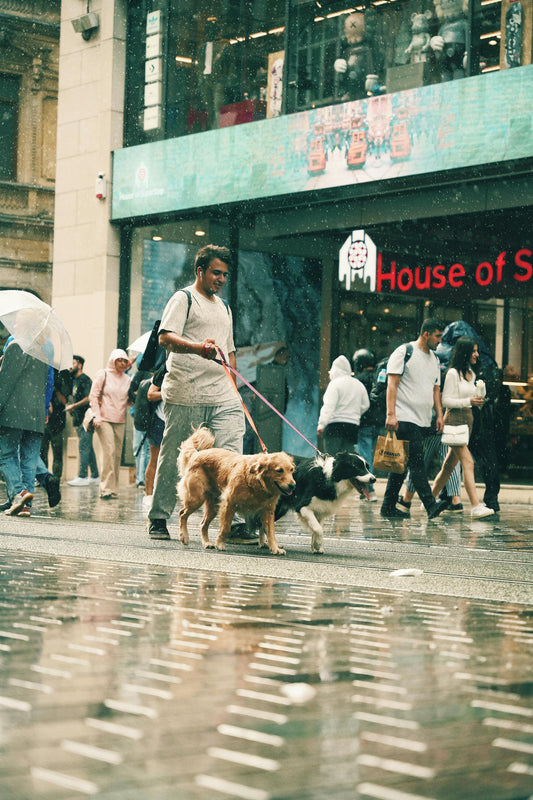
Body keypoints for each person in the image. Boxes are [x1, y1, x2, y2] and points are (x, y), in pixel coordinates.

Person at [147, 244, 251, 542]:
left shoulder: (225, 307)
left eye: (225, 275)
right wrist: (197, 348)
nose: (221, 279)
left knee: (232, 456)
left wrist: (233, 376)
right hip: (186, 392)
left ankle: (231, 522)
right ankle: (158, 517)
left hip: (224, 396)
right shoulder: (184, 299)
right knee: (176, 456)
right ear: (200, 270)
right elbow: (165, 336)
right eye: (216, 273)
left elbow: (229, 349)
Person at [381, 318, 450, 520]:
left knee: (400, 466)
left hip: (422, 419)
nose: (440, 341)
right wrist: (391, 414)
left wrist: (439, 415)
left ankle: (387, 506)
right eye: (438, 336)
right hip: (404, 417)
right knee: (417, 463)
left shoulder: (435, 359)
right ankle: (430, 505)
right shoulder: (404, 352)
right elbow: (392, 384)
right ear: (426, 334)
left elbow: (436, 389)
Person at [431, 337, 495, 519]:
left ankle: (429, 500)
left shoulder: (471, 374)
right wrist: (469, 401)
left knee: (449, 466)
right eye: (473, 351)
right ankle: (475, 506)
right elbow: (446, 401)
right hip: (454, 421)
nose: (476, 354)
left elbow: (471, 399)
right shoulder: (453, 373)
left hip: (467, 421)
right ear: (465, 352)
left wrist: (478, 399)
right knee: (468, 462)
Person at [0, 336, 49, 517]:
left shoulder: (16, 345)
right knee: (29, 459)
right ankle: (26, 506)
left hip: (14, 411)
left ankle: (19, 493)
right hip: (35, 413)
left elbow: (5, 383)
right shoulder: (42, 351)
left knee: (5, 453)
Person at [89, 349, 132, 500]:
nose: (121, 363)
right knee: (108, 452)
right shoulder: (103, 374)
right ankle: (105, 488)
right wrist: (96, 415)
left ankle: (114, 488)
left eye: (124, 360)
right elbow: (93, 395)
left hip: (120, 419)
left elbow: (129, 399)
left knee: (117, 455)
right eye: (118, 360)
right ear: (112, 360)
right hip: (104, 419)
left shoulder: (128, 379)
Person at [317, 355, 369, 455]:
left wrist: (322, 424)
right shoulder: (358, 384)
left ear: (334, 370)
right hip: (352, 427)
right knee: (348, 459)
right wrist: (354, 414)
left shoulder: (334, 384)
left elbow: (329, 406)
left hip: (334, 426)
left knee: (331, 459)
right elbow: (366, 404)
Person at [66, 355, 99, 486]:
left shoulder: (85, 379)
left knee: (84, 447)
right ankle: (95, 475)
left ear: (80, 365)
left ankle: (82, 476)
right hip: (78, 419)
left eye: (73, 363)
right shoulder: (74, 380)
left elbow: (89, 398)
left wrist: (74, 406)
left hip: (86, 419)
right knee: (88, 447)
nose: (70, 366)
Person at [352, 348, 380, 500]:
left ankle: (369, 490)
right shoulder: (378, 377)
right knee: (377, 456)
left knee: (365, 456)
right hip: (379, 422)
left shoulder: (358, 380)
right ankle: (369, 489)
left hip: (364, 423)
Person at [141, 363, 166, 517]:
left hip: (178, 420)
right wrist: (168, 393)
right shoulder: (164, 369)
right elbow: (151, 395)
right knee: (155, 459)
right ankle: (148, 495)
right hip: (159, 420)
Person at [40, 368, 72, 479]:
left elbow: (65, 399)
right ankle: (44, 477)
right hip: (44, 419)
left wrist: (56, 388)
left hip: (58, 421)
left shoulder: (64, 374)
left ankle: (56, 477)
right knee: (42, 451)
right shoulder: (44, 372)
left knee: (57, 451)